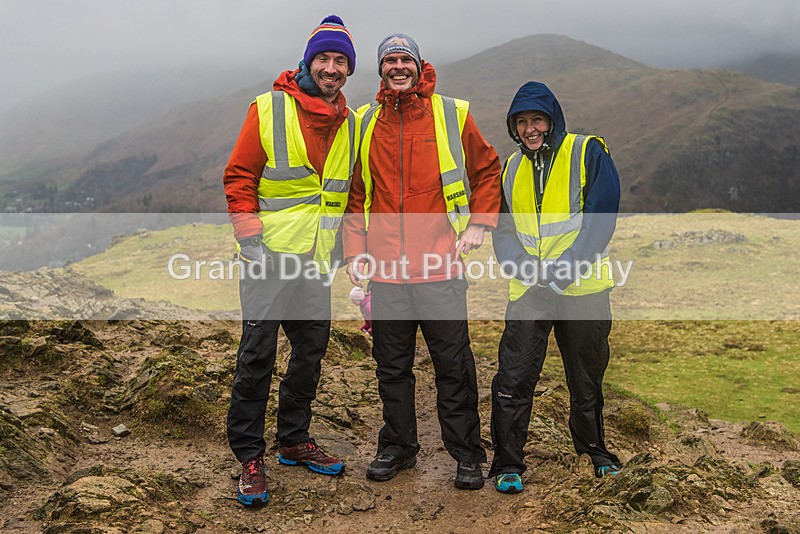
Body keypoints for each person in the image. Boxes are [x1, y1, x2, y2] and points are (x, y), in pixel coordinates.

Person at [343, 34, 501, 490]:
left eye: (405, 59)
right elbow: (356, 195)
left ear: (419, 65)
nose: (398, 67)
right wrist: (354, 253)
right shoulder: (363, 122)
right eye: (390, 60)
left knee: (454, 366)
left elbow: (487, 170)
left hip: (440, 269)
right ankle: (397, 447)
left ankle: (467, 455)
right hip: (387, 274)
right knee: (391, 368)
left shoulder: (452, 113)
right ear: (380, 69)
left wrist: (480, 223)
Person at [222, 15, 359, 506]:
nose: (331, 68)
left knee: (310, 352)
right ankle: (249, 456)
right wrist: (249, 237)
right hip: (268, 257)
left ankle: (294, 440)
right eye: (323, 58)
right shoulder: (268, 108)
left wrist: (349, 252)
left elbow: (349, 195)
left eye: (340, 60)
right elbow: (239, 176)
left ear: (349, 69)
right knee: (256, 354)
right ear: (308, 62)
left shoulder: (350, 122)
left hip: (315, 262)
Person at [489, 81, 622, 494]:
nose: (530, 129)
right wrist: (523, 267)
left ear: (553, 120)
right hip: (529, 291)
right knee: (513, 378)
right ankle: (507, 464)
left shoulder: (587, 152)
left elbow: (601, 219)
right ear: (514, 127)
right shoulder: (511, 168)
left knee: (585, 379)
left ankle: (595, 454)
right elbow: (503, 230)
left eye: (537, 120)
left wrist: (563, 271)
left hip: (582, 289)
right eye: (521, 122)